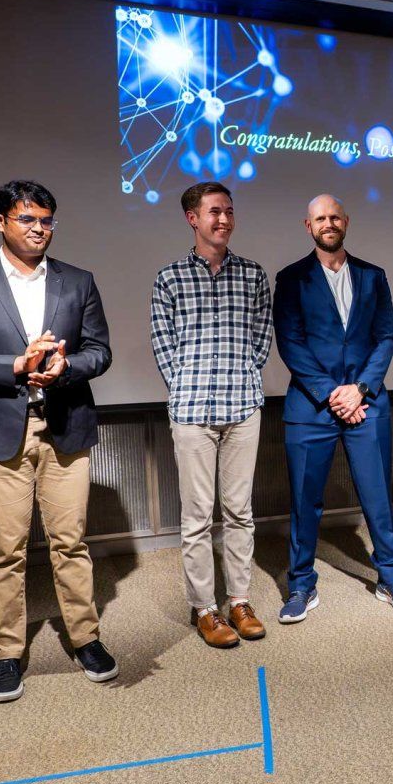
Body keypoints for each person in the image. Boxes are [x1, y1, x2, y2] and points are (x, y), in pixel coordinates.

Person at [0, 180, 117, 702]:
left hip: (65, 427)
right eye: (28, 220)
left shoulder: (78, 281)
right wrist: (14, 365)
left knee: (71, 542)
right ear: (0, 222)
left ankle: (86, 638)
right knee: (6, 550)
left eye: (47, 220)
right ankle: (7, 652)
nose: (40, 230)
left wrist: (65, 366)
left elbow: (100, 352)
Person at [272, 194, 393, 621]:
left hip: (366, 403)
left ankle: (391, 578)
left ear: (346, 222)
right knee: (305, 501)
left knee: (377, 497)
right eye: (320, 218)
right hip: (311, 407)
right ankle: (300, 585)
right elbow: (291, 342)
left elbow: (385, 336)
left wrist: (360, 389)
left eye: (335, 216)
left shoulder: (374, 276)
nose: (328, 223)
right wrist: (333, 393)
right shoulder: (292, 278)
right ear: (308, 225)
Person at [150, 182, 272, 648]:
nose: (223, 219)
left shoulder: (253, 275)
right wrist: (186, 385)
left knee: (240, 512)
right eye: (214, 212)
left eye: (228, 212)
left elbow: (261, 339)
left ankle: (239, 600)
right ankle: (204, 608)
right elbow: (165, 347)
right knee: (197, 516)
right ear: (192, 219)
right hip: (192, 411)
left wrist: (242, 377)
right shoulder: (170, 278)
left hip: (243, 407)